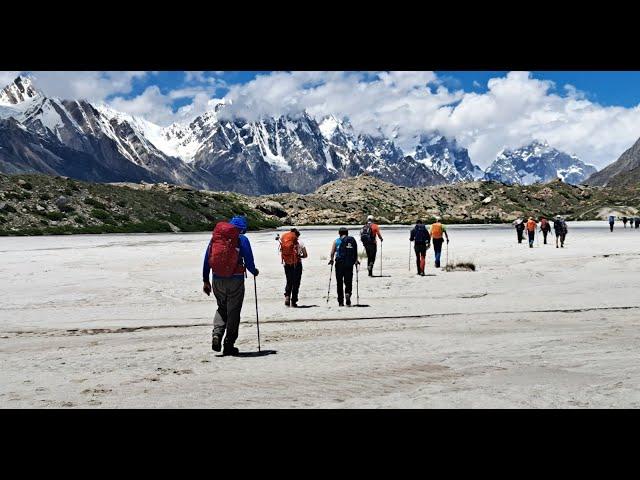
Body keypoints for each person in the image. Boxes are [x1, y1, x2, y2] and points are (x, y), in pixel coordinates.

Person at [202, 215, 259, 356]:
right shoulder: (242, 240)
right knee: (234, 312)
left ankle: (217, 334)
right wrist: (254, 271)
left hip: (217, 279)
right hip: (236, 280)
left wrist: (205, 280)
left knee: (222, 308)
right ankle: (229, 344)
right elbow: (249, 261)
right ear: (242, 229)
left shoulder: (216, 239)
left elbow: (207, 260)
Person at [329, 227, 360, 306]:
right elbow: (355, 252)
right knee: (348, 281)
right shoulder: (351, 241)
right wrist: (356, 261)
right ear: (347, 233)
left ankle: (340, 301)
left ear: (339, 233)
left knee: (339, 282)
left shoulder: (337, 241)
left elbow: (332, 252)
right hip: (349, 263)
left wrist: (332, 260)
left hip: (339, 263)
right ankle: (348, 293)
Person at [279, 228, 308, 308]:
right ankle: (294, 301)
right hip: (297, 264)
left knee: (289, 280)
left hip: (287, 263)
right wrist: (299, 256)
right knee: (296, 282)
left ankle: (287, 296)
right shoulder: (300, 242)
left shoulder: (285, 240)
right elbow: (305, 255)